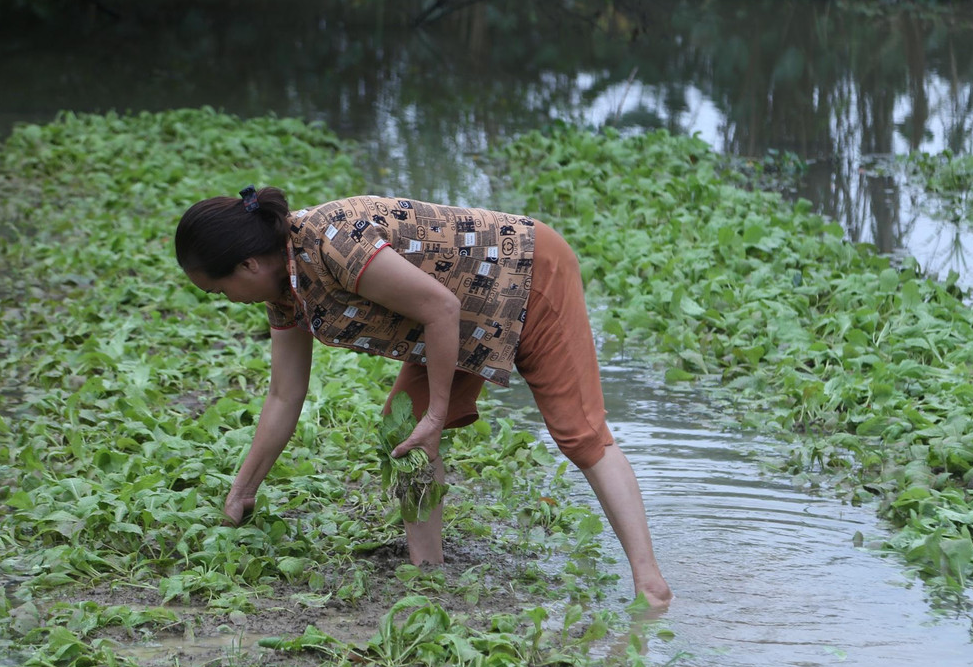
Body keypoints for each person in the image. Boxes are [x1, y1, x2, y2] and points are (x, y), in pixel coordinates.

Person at [173, 185, 673, 609]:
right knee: (403, 432)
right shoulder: (284, 291)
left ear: (248, 264)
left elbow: (439, 306)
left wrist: (438, 412)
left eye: (220, 291)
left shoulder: (335, 242)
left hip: (527, 273)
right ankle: (429, 575)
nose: (226, 301)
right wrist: (242, 492)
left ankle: (650, 584)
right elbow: (284, 396)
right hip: (460, 312)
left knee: (579, 434)